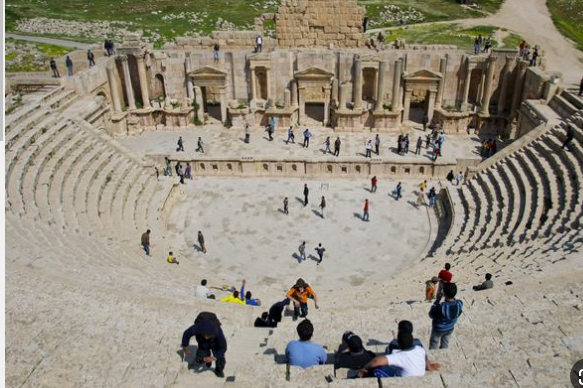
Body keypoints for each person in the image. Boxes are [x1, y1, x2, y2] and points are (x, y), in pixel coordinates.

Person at [359, 331, 427, 378]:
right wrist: (429, 366)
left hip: (403, 381)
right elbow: (425, 360)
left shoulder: (400, 356)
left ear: (399, 345)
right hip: (419, 377)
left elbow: (377, 361)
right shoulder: (420, 349)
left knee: (378, 369)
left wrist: (365, 368)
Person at [181, 312, 227, 378]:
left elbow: (223, 348)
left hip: (215, 343)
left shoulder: (217, 331)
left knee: (220, 359)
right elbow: (186, 334)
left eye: (208, 335)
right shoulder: (198, 327)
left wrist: (213, 358)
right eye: (204, 334)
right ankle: (207, 360)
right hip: (202, 342)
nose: (206, 337)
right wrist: (185, 347)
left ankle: (218, 370)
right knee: (200, 358)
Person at [429, 282, 463, 350]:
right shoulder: (460, 303)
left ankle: (433, 353)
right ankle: (443, 351)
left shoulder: (441, 307)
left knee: (434, 342)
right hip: (450, 328)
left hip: (438, 329)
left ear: (444, 294)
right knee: (445, 341)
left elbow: (431, 314)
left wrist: (437, 301)